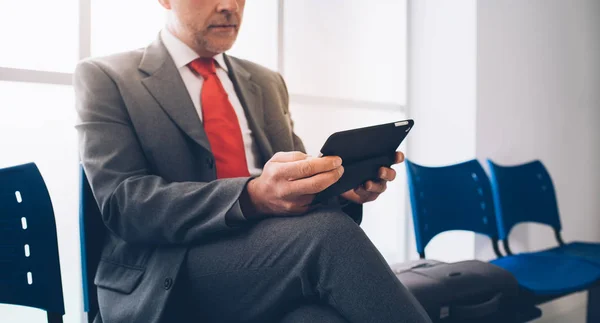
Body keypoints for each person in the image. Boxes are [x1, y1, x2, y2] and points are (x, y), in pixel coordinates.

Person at [74, 0, 431, 322]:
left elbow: (293, 182)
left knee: (315, 319)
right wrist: (253, 196)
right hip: (169, 270)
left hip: (266, 259)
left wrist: (337, 189)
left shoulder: (266, 82)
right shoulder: (107, 77)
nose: (229, 5)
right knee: (327, 233)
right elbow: (124, 204)